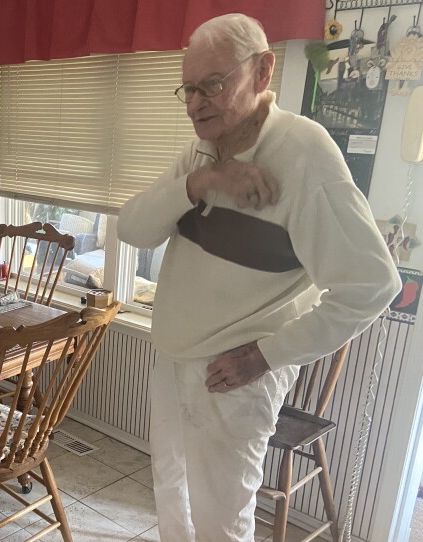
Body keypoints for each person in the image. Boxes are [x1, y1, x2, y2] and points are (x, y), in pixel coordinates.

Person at [117, 13, 401, 542]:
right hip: (173, 360)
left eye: (213, 84)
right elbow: (133, 229)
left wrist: (267, 356)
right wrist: (204, 180)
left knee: (220, 522)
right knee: (170, 493)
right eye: (189, 89)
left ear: (263, 71)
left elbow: (373, 286)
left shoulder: (304, 153)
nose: (196, 103)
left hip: (232, 377)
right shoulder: (200, 152)